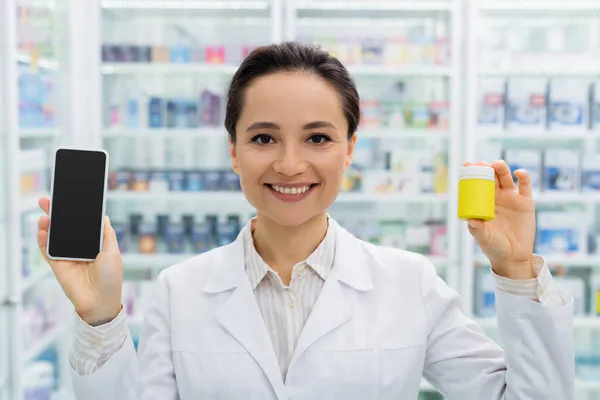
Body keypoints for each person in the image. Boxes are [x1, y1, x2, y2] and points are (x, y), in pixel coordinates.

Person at [36, 42, 574, 400]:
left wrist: (519, 269)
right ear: (233, 151)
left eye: (317, 138)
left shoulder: (409, 283)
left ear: (349, 149)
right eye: (263, 138)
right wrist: (102, 317)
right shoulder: (179, 291)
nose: (290, 164)